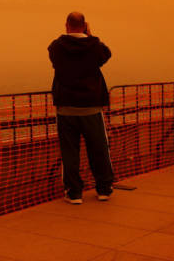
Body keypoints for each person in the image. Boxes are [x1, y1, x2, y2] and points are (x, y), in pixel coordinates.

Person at [48, 12, 114, 204]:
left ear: (66, 25)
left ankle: (74, 192)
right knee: (99, 149)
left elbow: (55, 61)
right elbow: (106, 54)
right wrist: (90, 35)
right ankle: (104, 189)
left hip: (66, 108)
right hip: (91, 108)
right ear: (84, 25)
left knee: (70, 152)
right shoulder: (95, 46)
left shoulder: (56, 47)